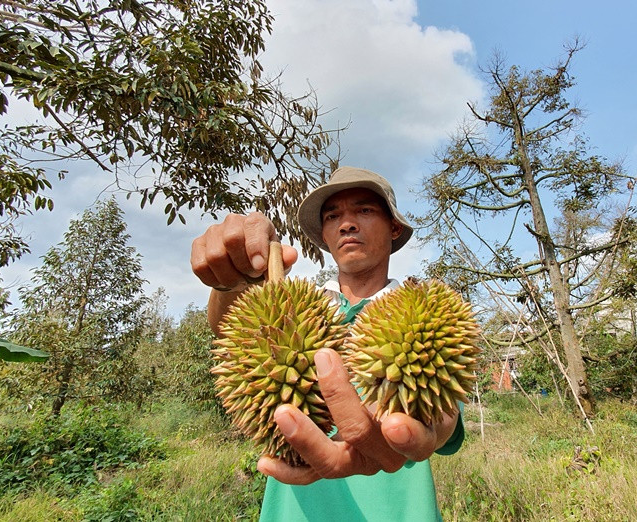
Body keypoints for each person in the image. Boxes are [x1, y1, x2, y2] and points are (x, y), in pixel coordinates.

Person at [191, 166, 465, 521]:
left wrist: (428, 431)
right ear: (324, 234)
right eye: (333, 216)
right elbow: (226, 326)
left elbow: (445, 419)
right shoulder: (301, 311)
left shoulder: (428, 314)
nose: (347, 223)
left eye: (364, 210)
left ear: (394, 227)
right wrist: (232, 277)